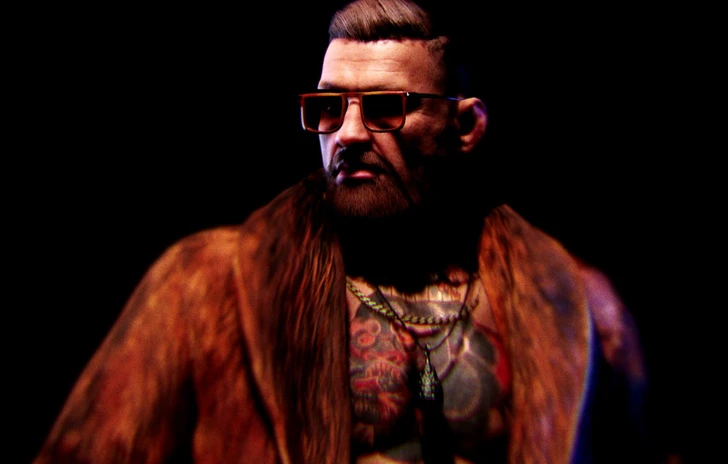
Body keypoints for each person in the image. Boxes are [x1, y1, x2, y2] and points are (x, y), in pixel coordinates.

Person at [34, 0, 648, 462]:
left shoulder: (576, 304)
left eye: (384, 107)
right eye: (329, 108)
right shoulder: (202, 287)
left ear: (465, 128)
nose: (348, 134)